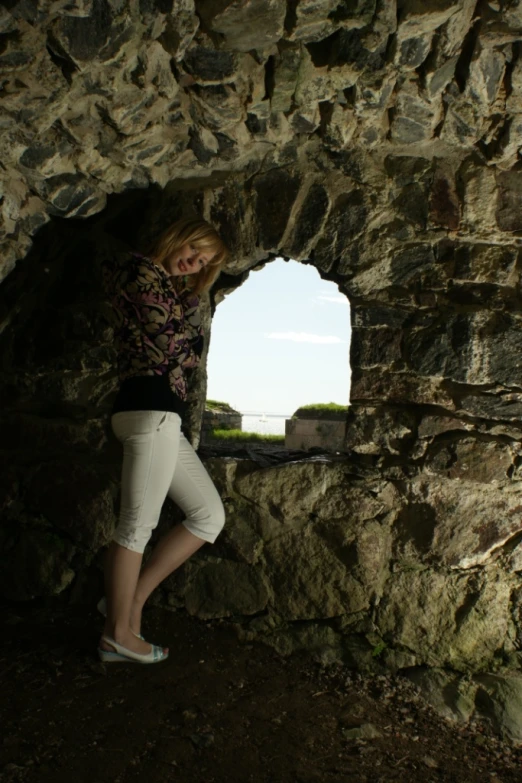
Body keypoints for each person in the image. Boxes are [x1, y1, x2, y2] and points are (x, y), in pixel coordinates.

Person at [99, 216, 229, 664]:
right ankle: (118, 634)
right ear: (177, 236)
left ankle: (130, 603)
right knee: (136, 525)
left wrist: (189, 304)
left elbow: (179, 346)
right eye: (194, 252)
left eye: (204, 264)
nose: (193, 265)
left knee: (208, 515)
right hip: (147, 408)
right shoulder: (138, 270)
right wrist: (186, 333)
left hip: (161, 416)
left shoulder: (172, 289)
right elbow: (177, 350)